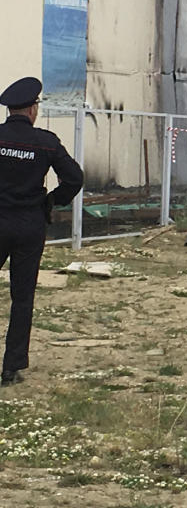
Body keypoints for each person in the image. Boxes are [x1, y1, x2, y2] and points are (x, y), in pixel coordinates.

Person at [0, 77, 83, 387]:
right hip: (29, 226)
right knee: (22, 298)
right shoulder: (46, 142)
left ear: (10, 110)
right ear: (33, 109)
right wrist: (52, 200)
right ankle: (11, 367)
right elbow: (75, 178)